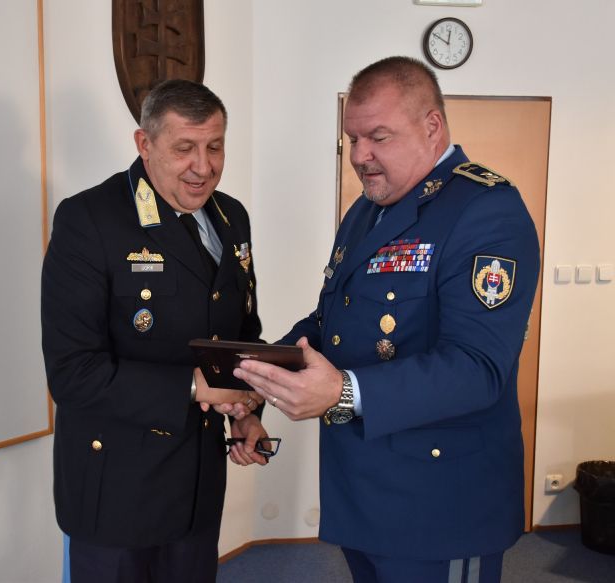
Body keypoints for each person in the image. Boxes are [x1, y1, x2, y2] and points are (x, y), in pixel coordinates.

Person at [234, 56, 540, 582]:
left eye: (378, 137)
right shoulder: (368, 209)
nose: (360, 155)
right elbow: (331, 320)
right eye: (352, 138)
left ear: (432, 126)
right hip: (364, 490)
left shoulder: (486, 209)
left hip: (441, 504)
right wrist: (253, 374)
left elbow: (477, 368)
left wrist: (343, 393)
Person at [41, 79, 269, 583]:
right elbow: (73, 373)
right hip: (117, 490)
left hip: (198, 484)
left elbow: (243, 334)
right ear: (144, 144)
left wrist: (247, 409)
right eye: (184, 149)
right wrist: (195, 387)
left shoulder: (232, 217)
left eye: (215, 147)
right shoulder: (90, 219)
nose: (203, 167)